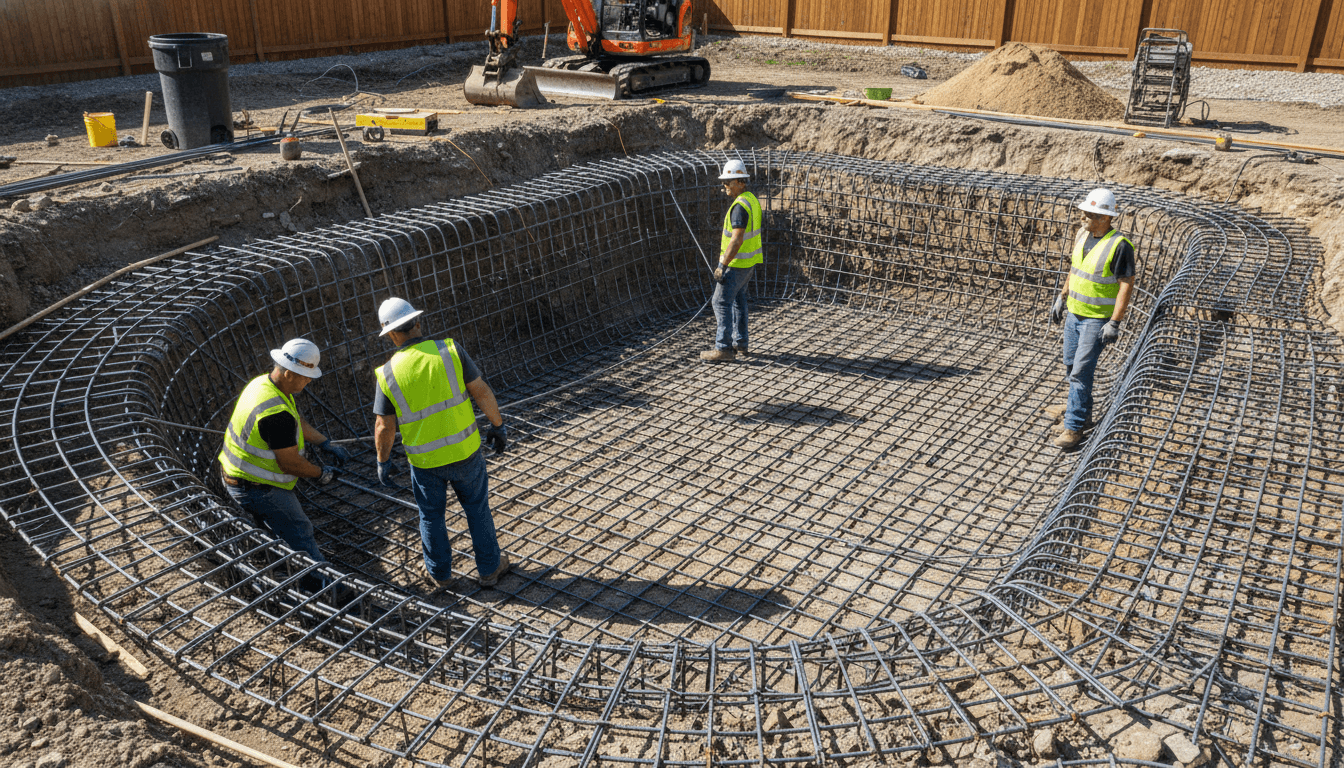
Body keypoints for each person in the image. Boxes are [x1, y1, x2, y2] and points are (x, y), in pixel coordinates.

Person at [371, 297, 512, 590]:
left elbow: (384, 426)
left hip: (425, 463)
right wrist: (497, 425)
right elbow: (481, 391)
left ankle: (440, 575)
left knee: (431, 516)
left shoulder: (387, 373)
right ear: (418, 323)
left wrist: (382, 461)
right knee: (477, 509)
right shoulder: (449, 350)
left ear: (391, 335)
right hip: (465, 452)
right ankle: (489, 570)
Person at [218, 338, 350, 568]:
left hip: (238, 475)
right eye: (306, 375)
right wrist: (321, 474)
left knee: (274, 532)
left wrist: (325, 442)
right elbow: (290, 464)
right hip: (256, 487)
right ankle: (320, 585)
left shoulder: (263, 385)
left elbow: (296, 422)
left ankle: (280, 565)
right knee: (300, 531)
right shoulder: (276, 414)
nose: (309, 380)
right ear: (289, 373)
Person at [1046, 188, 1137, 450]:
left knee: (1081, 371)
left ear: (1105, 218)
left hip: (1096, 319)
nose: (1083, 215)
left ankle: (1073, 427)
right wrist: (1062, 297)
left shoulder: (1120, 246)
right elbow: (1076, 269)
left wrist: (1115, 322)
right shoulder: (1082, 234)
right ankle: (1082, 413)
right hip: (1075, 312)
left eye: (1090, 213)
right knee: (1070, 365)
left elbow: (1125, 285)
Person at [700, 158, 764, 362]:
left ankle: (724, 348)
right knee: (739, 301)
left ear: (741, 182)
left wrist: (722, 266)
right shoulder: (752, 200)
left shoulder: (739, 207)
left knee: (720, 302)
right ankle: (741, 344)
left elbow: (736, 240)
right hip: (748, 264)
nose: (725, 185)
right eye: (724, 181)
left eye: (729, 181)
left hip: (736, 265)